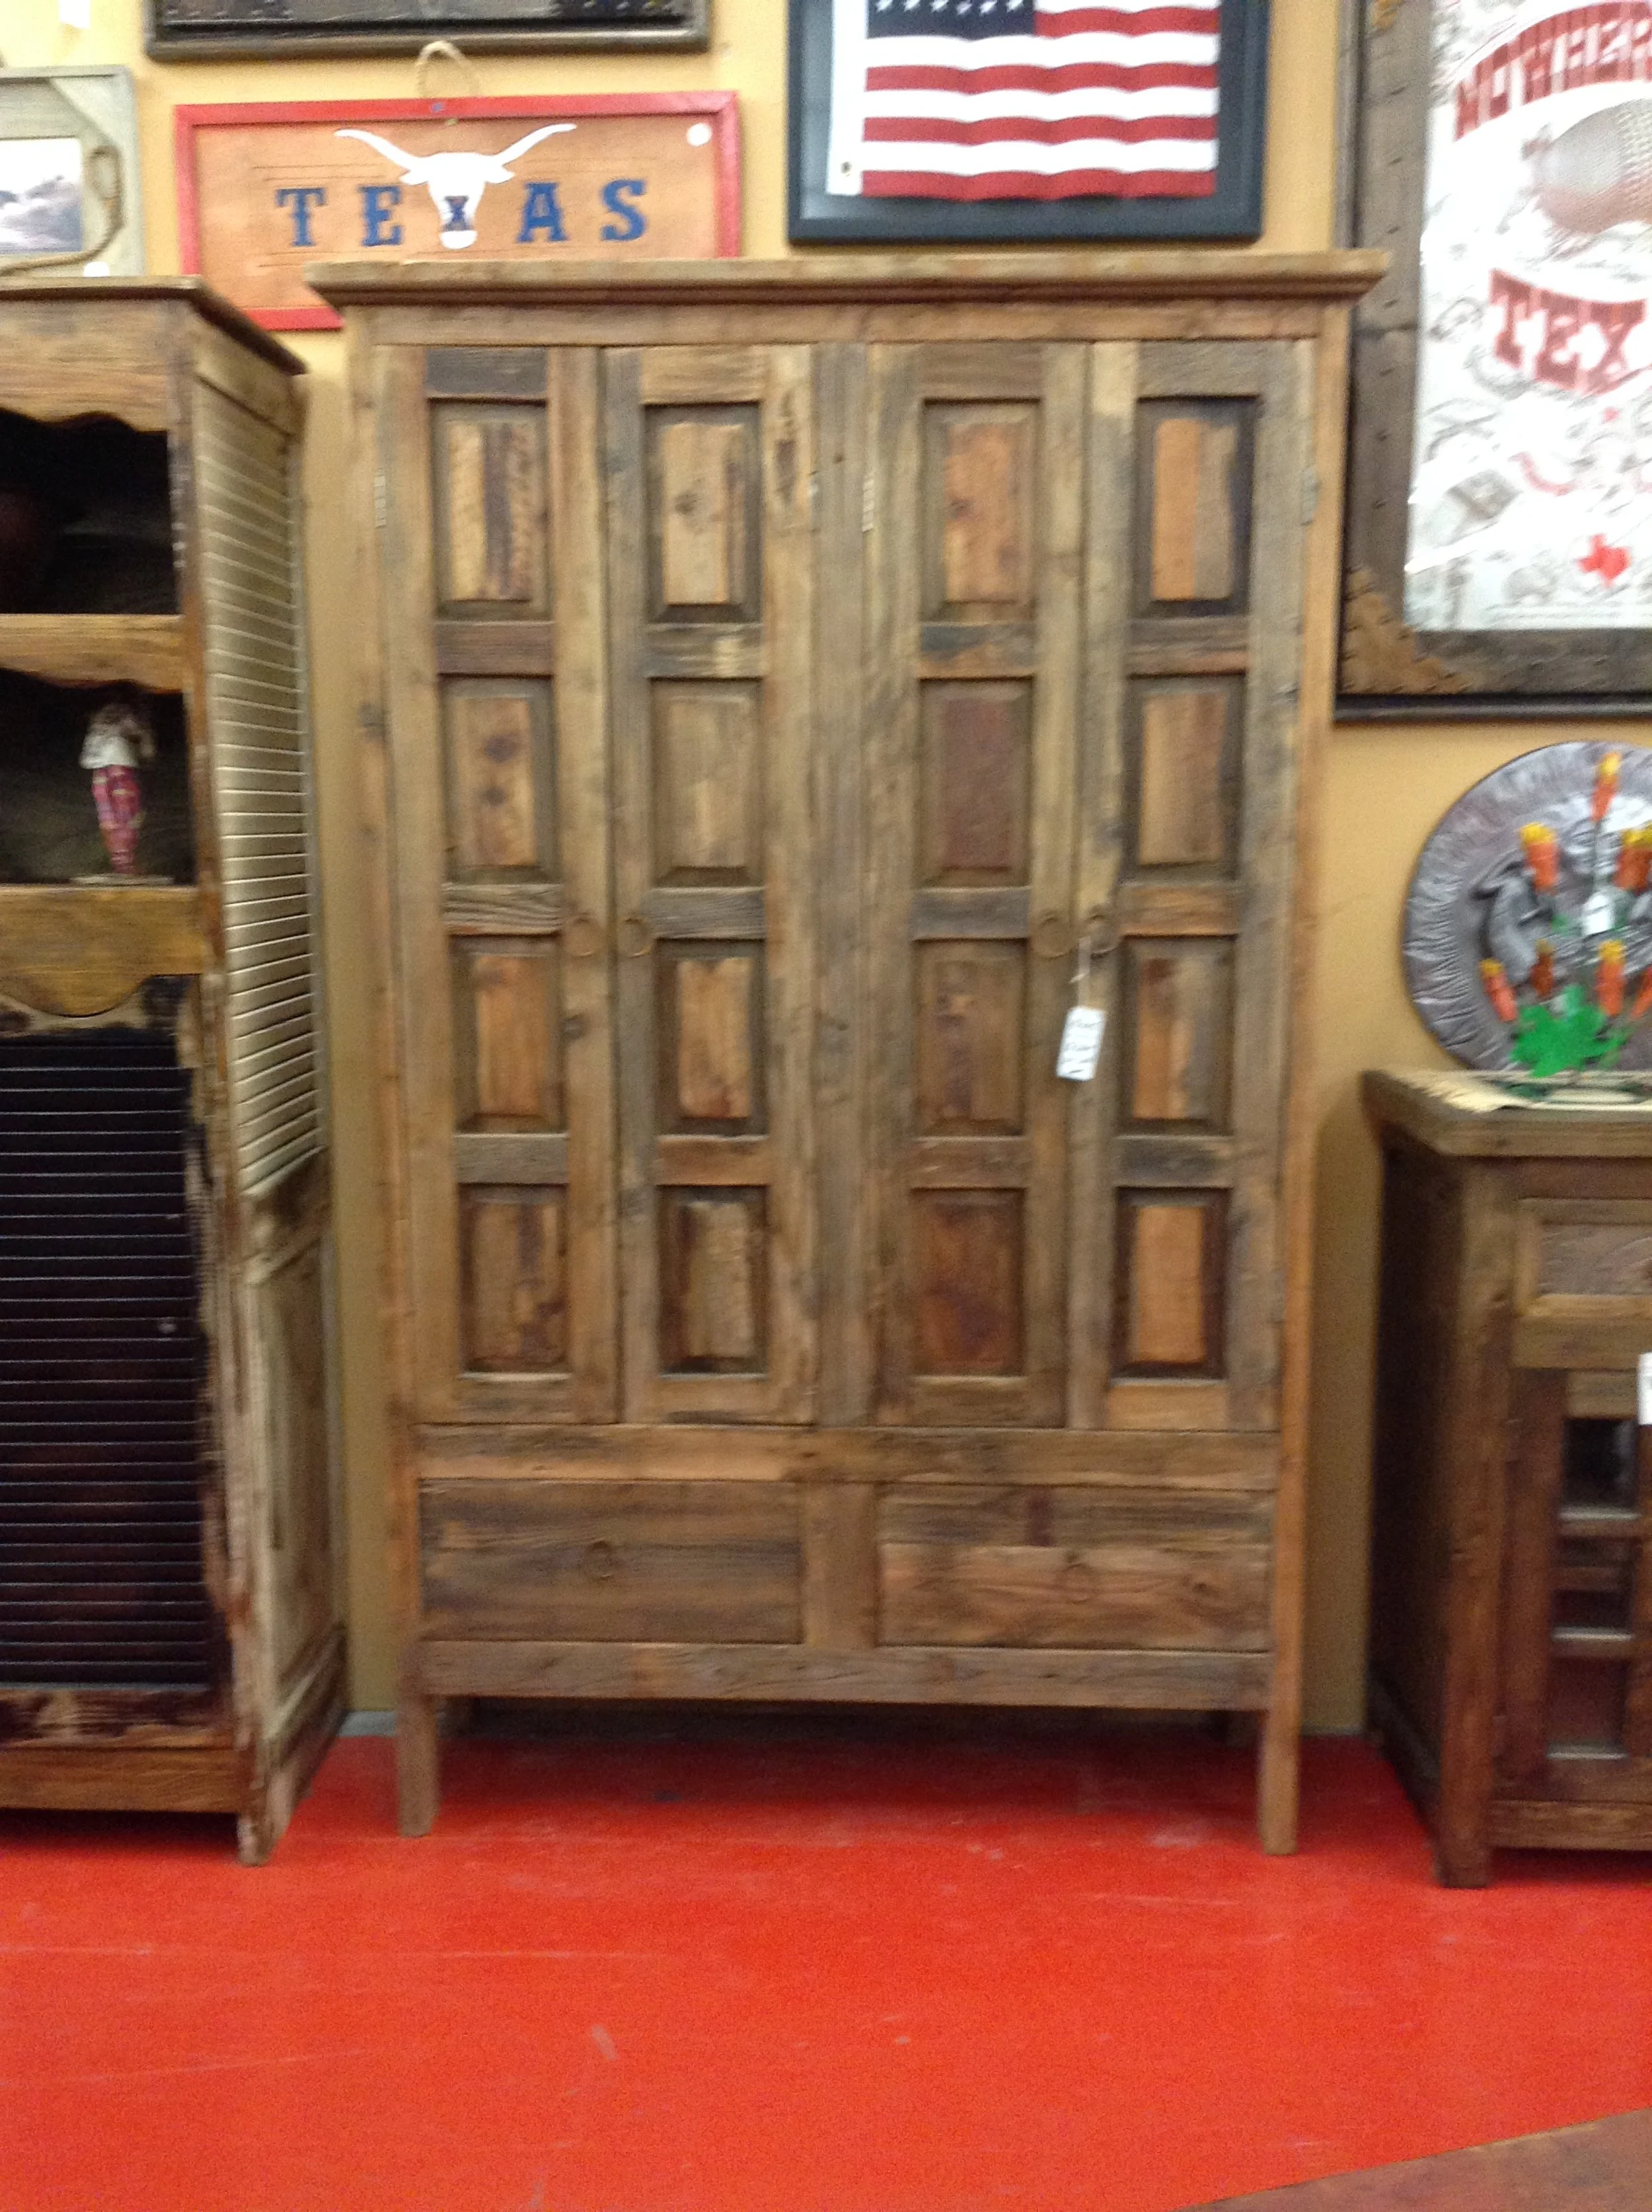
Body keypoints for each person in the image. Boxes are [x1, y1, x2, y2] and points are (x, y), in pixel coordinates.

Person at [79, 692, 156, 877]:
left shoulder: (99, 721)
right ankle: (124, 863)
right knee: (124, 817)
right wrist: (144, 737)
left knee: (111, 819)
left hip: (102, 772)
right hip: (119, 769)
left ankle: (121, 862)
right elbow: (141, 739)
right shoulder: (121, 714)